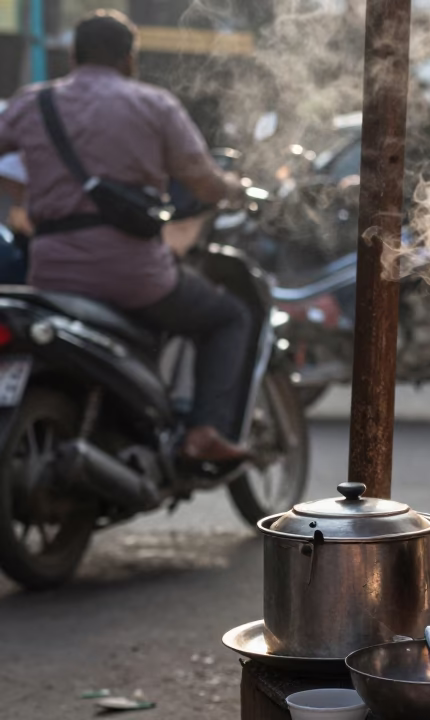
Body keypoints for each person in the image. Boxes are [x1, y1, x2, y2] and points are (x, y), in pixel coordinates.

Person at [0, 10, 253, 462]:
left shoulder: (32, 104)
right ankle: (203, 432)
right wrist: (236, 189)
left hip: (52, 276)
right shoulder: (153, 105)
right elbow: (203, 181)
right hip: (136, 275)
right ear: (130, 59)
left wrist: (28, 191)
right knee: (227, 317)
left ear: (73, 55)